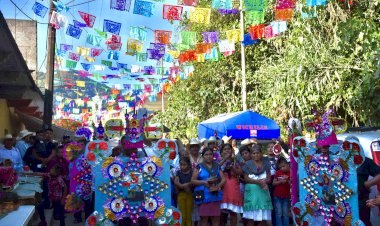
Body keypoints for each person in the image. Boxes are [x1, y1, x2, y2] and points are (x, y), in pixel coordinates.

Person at [192, 148, 225, 226]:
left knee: (216, 218)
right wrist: (204, 182)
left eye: (210, 154)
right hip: (203, 195)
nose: (208, 156)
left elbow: (223, 179)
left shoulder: (217, 166)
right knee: (204, 218)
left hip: (215, 194)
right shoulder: (199, 167)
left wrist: (218, 186)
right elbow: (193, 180)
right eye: (206, 154)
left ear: (213, 156)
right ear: (203, 156)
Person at [242, 144, 273, 226]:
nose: (256, 155)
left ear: (261, 153)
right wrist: (259, 182)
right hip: (252, 194)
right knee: (251, 218)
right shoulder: (248, 164)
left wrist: (265, 181)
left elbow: (269, 178)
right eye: (254, 153)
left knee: (263, 218)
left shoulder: (266, 162)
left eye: (258, 153)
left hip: (263, 193)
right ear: (251, 155)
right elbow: (246, 178)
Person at [219, 143, 243, 226]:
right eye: (225, 149)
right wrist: (224, 159)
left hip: (233, 187)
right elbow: (215, 169)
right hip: (222, 187)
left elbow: (240, 172)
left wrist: (233, 168)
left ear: (231, 150)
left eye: (228, 149)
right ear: (221, 152)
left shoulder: (235, 160)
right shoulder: (218, 160)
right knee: (221, 212)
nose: (227, 150)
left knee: (233, 212)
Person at [174, 157, 194, 226]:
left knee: (188, 215)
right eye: (181, 165)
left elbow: (193, 181)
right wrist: (182, 186)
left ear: (188, 165)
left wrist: (187, 184)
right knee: (182, 214)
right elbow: (176, 181)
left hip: (190, 195)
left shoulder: (192, 172)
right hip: (181, 195)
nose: (182, 166)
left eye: (184, 165)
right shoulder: (178, 172)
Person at [272, 158, 291, 226]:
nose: (282, 168)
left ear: (287, 164)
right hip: (277, 196)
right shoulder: (278, 172)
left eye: (283, 166)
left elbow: (293, 185)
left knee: (285, 213)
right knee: (278, 213)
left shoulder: (291, 172)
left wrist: (287, 179)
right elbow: (273, 183)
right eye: (280, 167)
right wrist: (280, 181)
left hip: (286, 196)